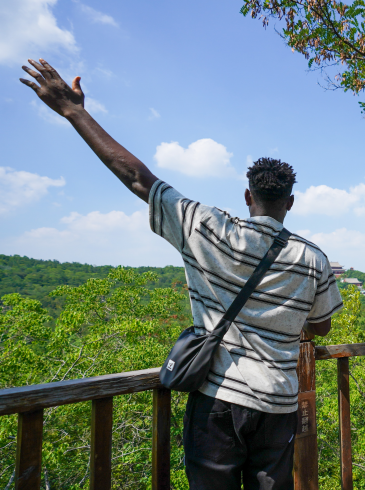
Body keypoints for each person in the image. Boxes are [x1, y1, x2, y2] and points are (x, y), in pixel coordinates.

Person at [20, 59, 344, 490]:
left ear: (247, 196)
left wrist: (74, 112)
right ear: (290, 202)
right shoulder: (313, 257)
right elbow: (320, 326)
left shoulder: (206, 227)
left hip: (218, 398)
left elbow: (138, 179)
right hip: (278, 403)